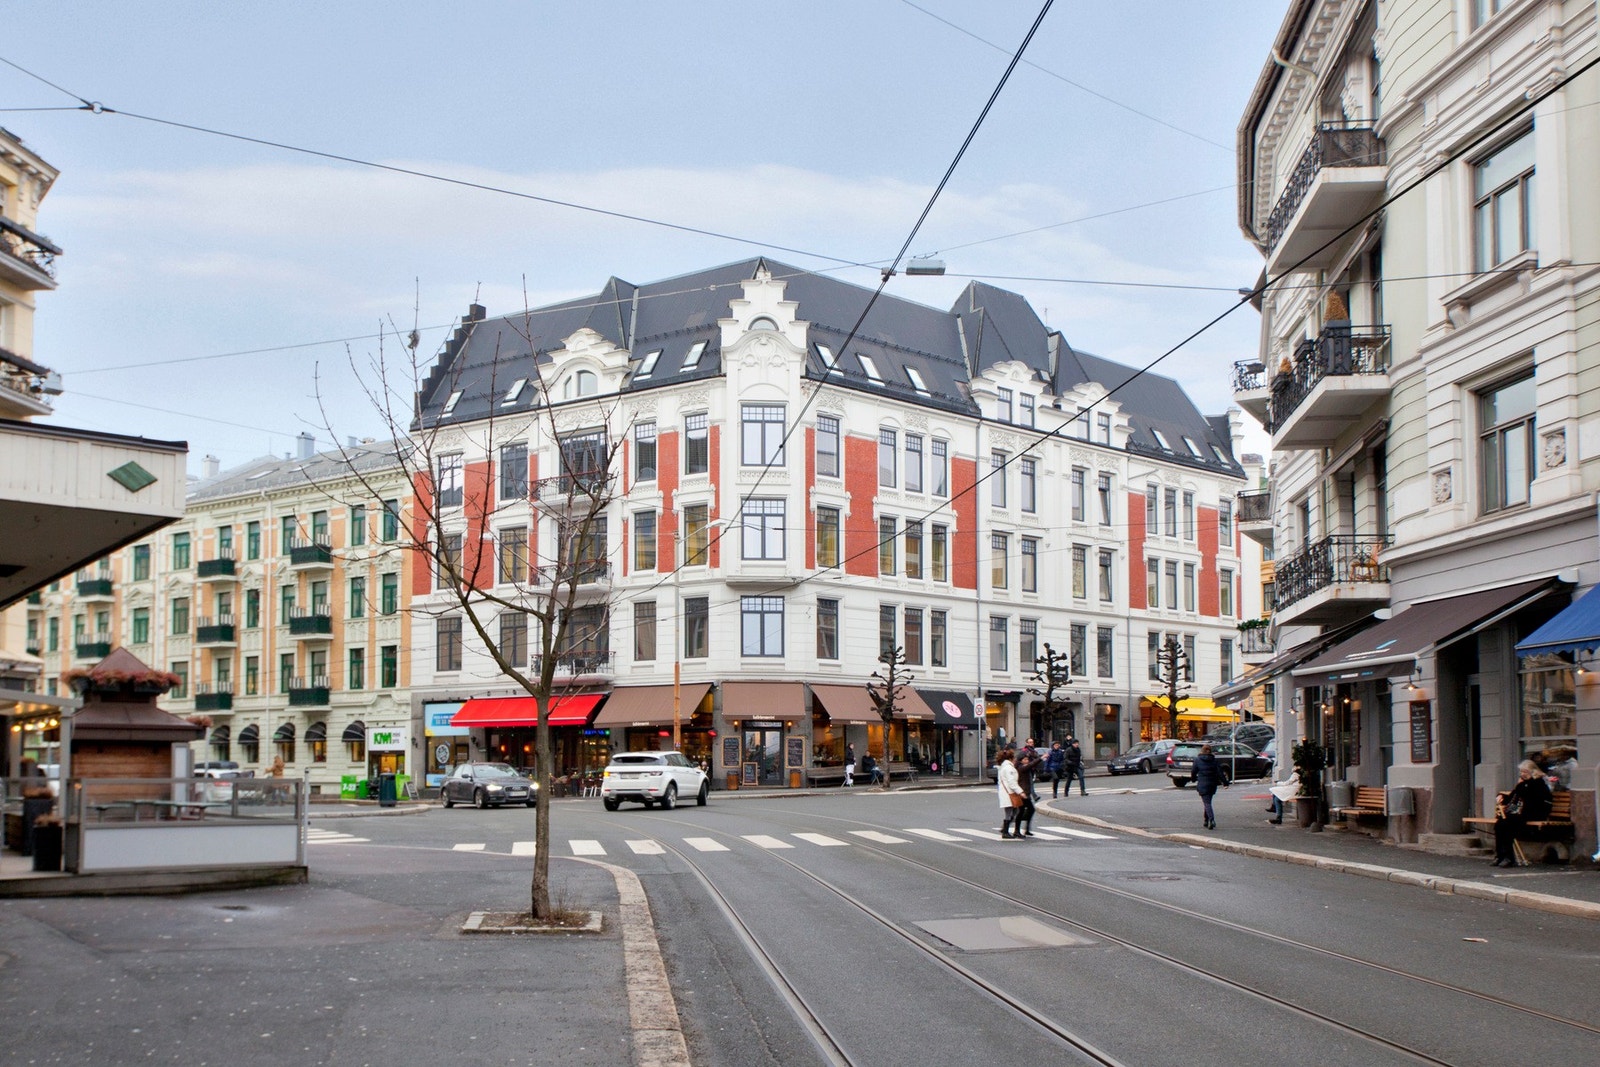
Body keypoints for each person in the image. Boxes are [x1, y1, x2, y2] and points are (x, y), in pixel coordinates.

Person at [1492, 759, 1554, 867]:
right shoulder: (1522, 784)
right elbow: (1512, 798)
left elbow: (1535, 800)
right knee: (1499, 824)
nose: (1522, 774)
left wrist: (1523, 786)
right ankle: (1500, 855)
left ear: (1532, 772)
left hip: (1534, 813)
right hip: (1521, 813)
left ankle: (1509, 857)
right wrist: (1501, 796)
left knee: (1507, 824)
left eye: (1525, 772)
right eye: (1521, 772)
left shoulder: (1538, 783)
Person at [1192, 743, 1225, 829]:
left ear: (1202, 751)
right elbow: (1220, 772)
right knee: (1208, 802)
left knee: (1207, 803)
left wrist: (1193, 779)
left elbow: (1193, 771)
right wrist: (1225, 782)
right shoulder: (1214, 760)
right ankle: (1206, 820)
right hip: (1212, 784)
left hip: (1202, 784)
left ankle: (1211, 819)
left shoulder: (1197, 760)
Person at [995, 748, 1025, 840]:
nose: (1015, 759)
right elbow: (1012, 782)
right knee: (1010, 812)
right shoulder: (1008, 768)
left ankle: (1006, 830)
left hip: (1006, 792)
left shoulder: (1004, 767)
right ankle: (1005, 831)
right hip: (1009, 793)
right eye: (1014, 757)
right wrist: (1020, 792)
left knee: (1012, 812)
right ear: (1010, 758)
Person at [1013, 742, 1039, 836]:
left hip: (1025, 793)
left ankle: (1025, 829)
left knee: (1028, 810)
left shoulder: (1024, 767)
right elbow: (1030, 765)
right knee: (1023, 811)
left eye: (1027, 759)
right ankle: (1017, 830)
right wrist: (1041, 758)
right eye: (1025, 759)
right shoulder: (1021, 768)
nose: (1027, 761)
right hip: (1022, 793)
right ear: (1020, 760)